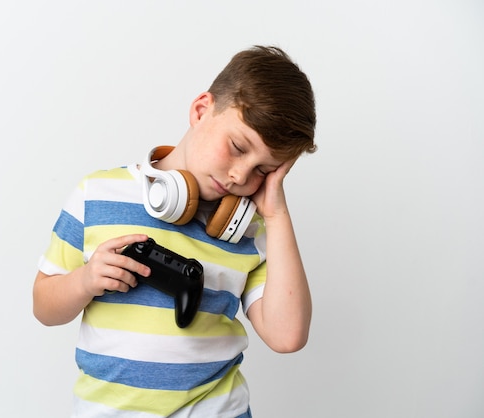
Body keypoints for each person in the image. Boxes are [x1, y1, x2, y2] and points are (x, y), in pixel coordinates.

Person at [33, 45, 316, 417]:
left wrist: (276, 216)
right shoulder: (98, 194)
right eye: (237, 147)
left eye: (264, 170)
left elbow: (287, 336)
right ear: (201, 110)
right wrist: (85, 280)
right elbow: (44, 307)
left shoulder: (251, 231)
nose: (240, 176)